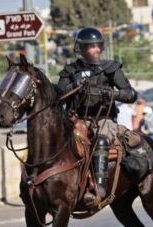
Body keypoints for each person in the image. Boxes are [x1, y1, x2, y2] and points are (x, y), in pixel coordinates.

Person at [56, 27, 139, 202]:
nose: (97, 49)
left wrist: (112, 95)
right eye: (93, 46)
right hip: (75, 120)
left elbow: (131, 94)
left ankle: (99, 188)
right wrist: (74, 85)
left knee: (101, 140)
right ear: (82, 48)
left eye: (99, 46)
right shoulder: (70, 71)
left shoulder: (111, 68)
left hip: (103, 119)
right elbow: (59, 95)